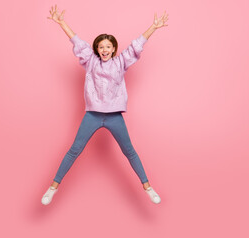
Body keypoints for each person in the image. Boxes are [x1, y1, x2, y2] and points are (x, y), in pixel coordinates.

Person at [42, 5, 168, 205]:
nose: (104, 50)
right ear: (97, 50)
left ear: (114, 49)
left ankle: (148, 187)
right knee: (74, 150)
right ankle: (52, 188)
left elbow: (137, 45)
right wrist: (61, 23)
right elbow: (77, 41)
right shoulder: (90, 62)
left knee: (129, 151)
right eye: (101, 47)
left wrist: (153, 27)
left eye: (108, 46)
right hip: (92, 116)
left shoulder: (121, 63)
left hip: (114, 116)